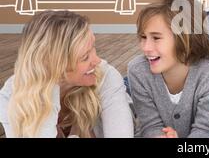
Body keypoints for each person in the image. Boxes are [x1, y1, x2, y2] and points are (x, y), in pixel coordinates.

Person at [0, 10, 134, 137]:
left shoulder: (106, 77)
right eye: (85, 57)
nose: (97, 60)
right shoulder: (11, 97)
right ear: (54, 65)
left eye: (93, 46)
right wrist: (48, 90)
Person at [127, 0, 209, 138]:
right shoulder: (137, 70)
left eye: (156, 38)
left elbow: (206, 129)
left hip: (205, 60)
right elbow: (150, 125)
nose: (145, 47)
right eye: (143, 37)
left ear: (184, 39)